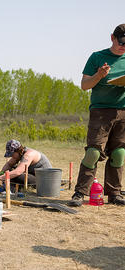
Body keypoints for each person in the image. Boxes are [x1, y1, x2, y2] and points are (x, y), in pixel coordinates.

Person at [68, 24, 125, 207]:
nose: (123, 46)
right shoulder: (97, 57)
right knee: (93, 152)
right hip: (100, 111)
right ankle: (80, 193)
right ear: (112, 38)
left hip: (123, 111)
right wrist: (99, 75)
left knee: (119, 153)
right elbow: (85, 85)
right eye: (121, 42)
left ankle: (114, 193)